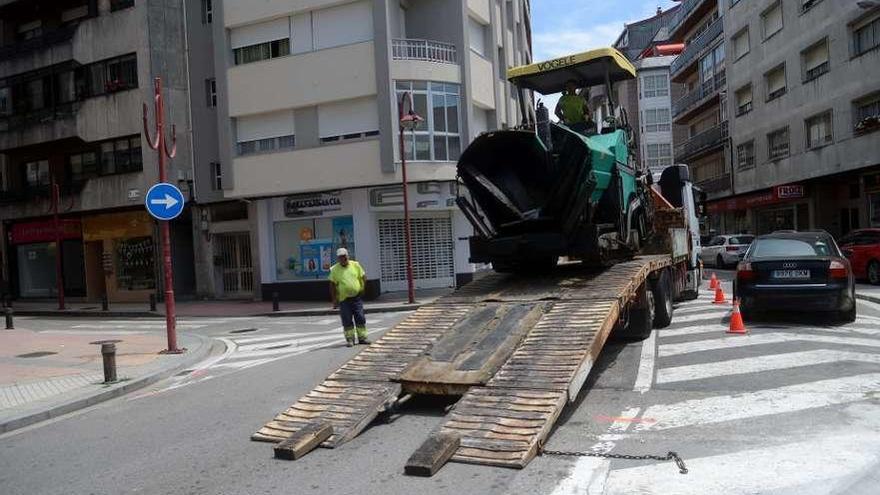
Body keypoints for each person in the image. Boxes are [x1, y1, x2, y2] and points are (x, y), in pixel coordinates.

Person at [328, 248, 370, 347]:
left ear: (348, 256)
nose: (343, 258)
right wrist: (334, 300)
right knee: (347, 319)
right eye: (341, 257)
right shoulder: (334, 269)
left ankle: (362, 338)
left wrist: (363, 288)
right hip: (344, 299)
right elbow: (332, 285)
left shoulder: (355, 265)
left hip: (356, 297)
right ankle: (350, 339)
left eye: (344, 256)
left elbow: (363, 277)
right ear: (338, 258)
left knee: (360, 316)